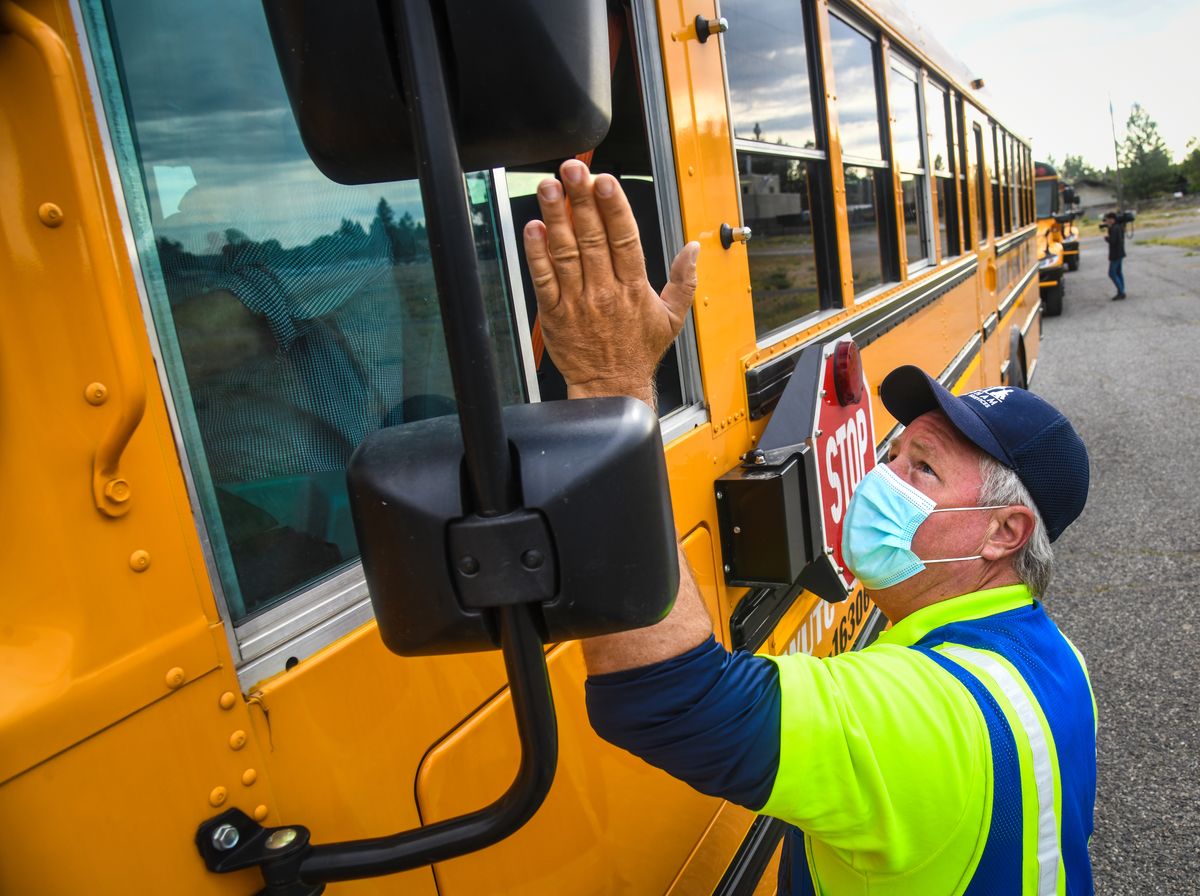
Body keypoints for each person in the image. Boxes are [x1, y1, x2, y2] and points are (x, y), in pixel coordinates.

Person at [523, 159, 1096, 894]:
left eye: (921, 469)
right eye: (891, 451)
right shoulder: (1056, 663)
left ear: (1003, 534)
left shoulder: (924, 716)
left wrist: (608, 391)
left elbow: (671, 699)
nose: (879, 478)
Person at [1104, 211, 1126, 300]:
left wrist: (1107, 238)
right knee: (1119, 272)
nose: (1107, 222)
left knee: (1112, 273)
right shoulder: (1119, 227)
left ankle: (1121, 291)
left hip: (1115, 254)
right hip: (1120, 253)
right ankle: (1122, 290)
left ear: (1112, 220)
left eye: (1107, 220)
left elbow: (1112, 241)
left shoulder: (1114, 228)